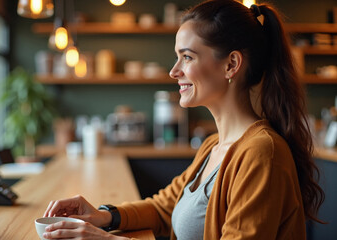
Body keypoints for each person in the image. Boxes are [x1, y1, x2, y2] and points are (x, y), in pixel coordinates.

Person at [42, 0, 324, 239]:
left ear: (231, 65)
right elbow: (165, 207)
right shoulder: (213, 146)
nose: (174, 71)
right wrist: (103, 216)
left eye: (187, 57)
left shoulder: (262, 153)